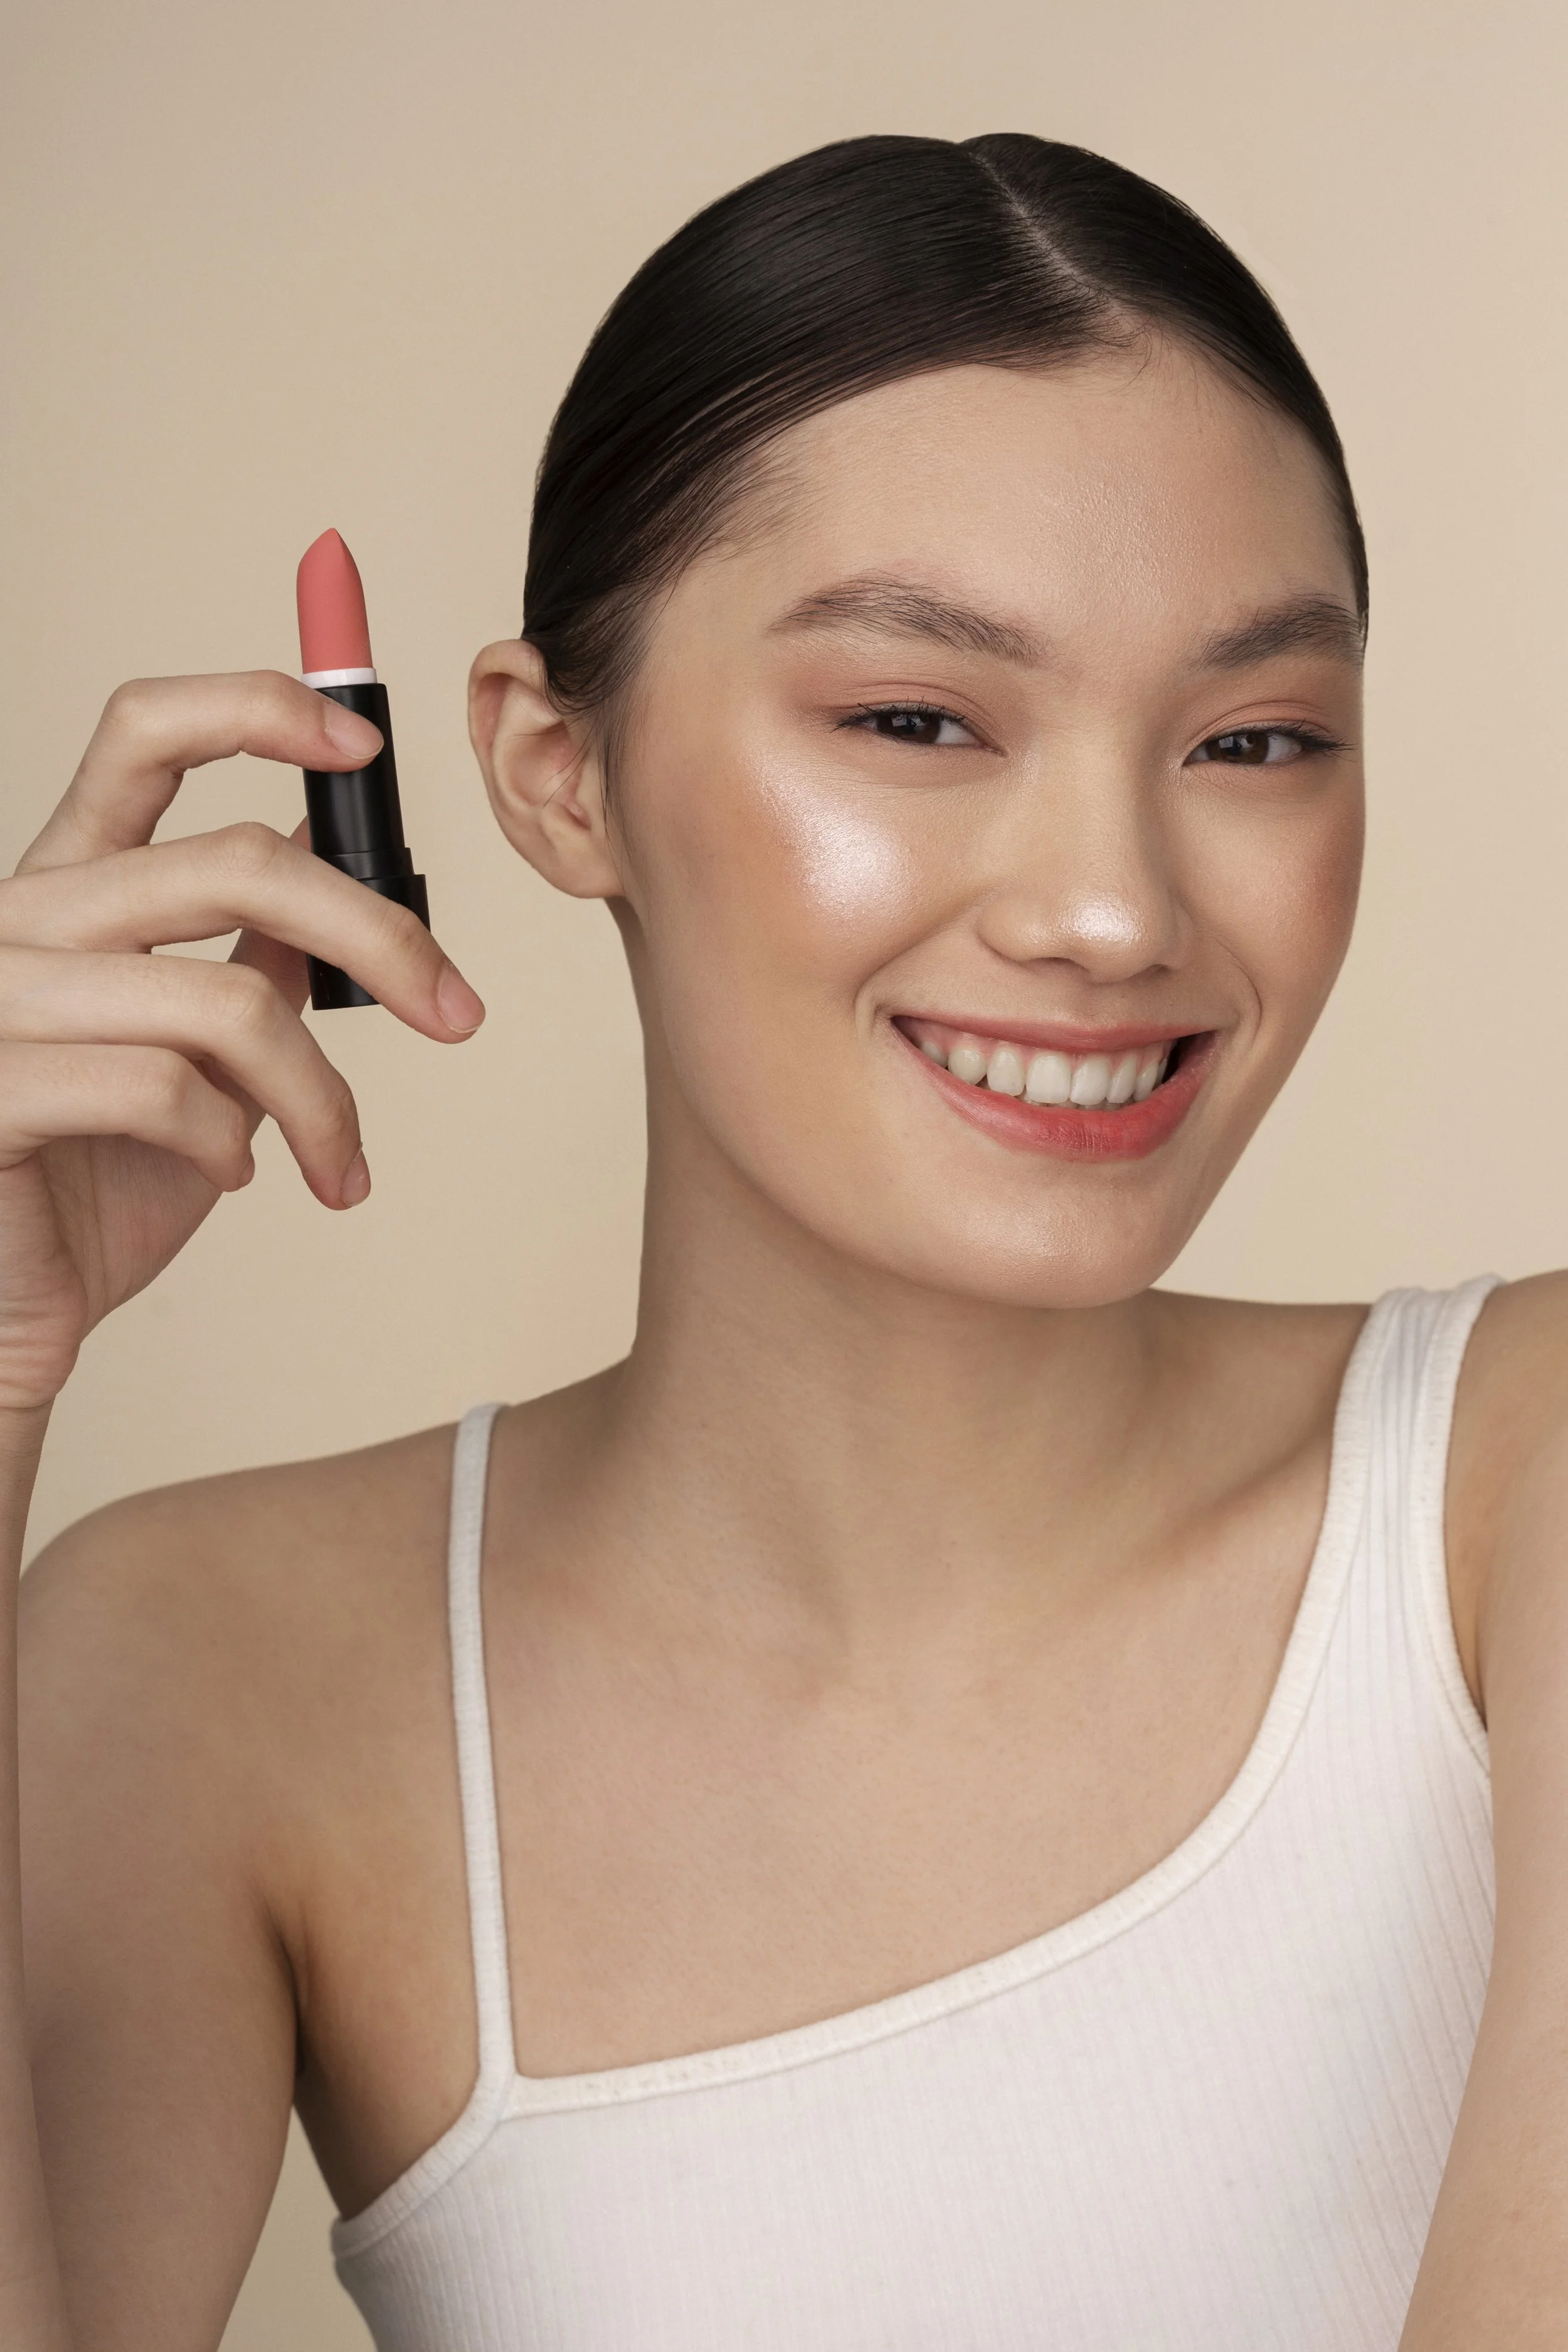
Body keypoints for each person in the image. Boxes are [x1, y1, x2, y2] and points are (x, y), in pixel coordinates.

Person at [0, 131, 1560, 2352]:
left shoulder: (1514, 1488)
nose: (1109, 908)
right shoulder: (205, 1672)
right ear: (556, 772)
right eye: (914, 719)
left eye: (1253, 738)